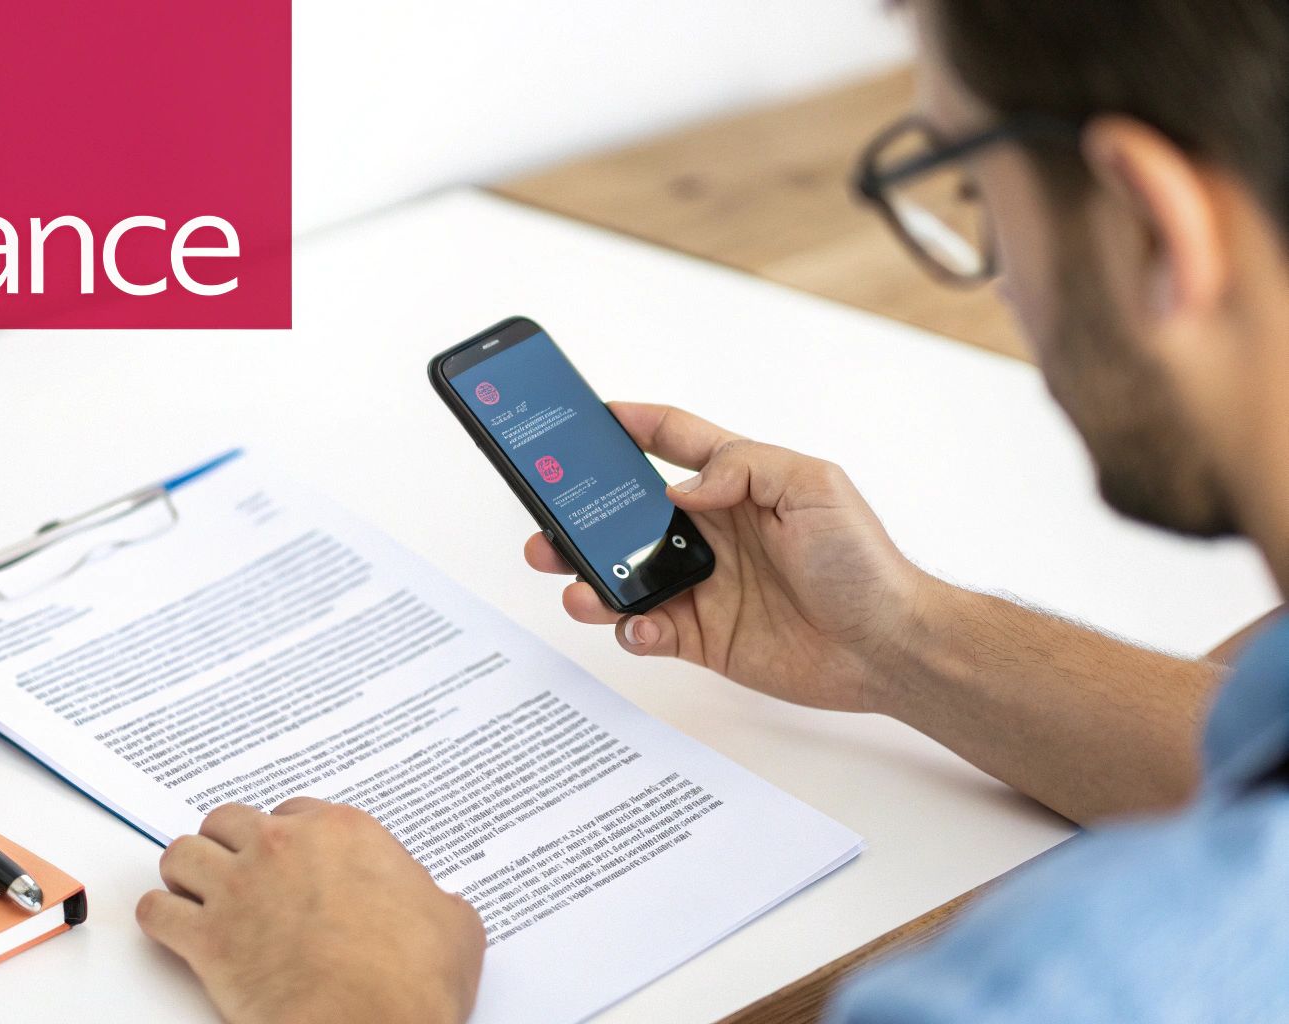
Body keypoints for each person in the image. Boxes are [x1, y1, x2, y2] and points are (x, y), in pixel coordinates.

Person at [134, 0, 1289, 1019]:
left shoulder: (1065, 987)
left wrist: (351, 997)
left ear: (1150, 227)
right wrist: (893, 641)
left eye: (971, 193)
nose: (998, 277)